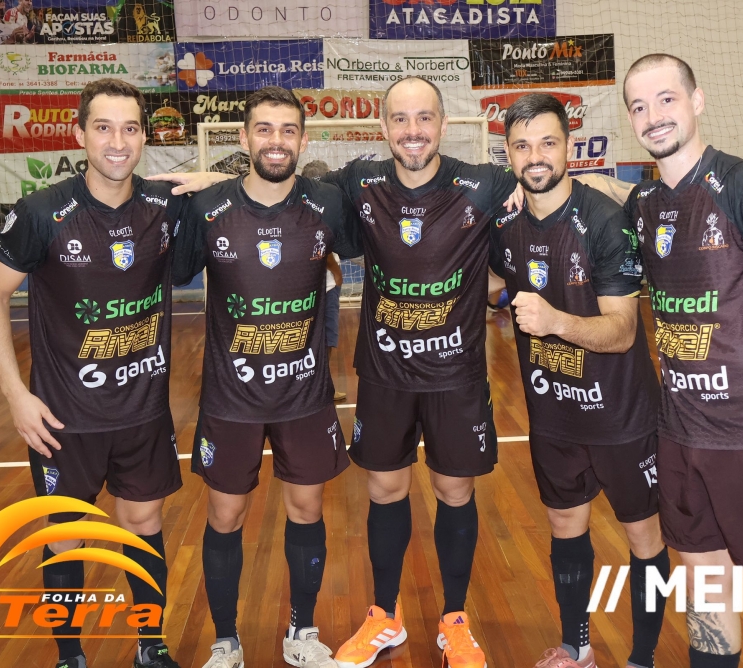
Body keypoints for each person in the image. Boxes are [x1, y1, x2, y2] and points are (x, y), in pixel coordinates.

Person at [153, 75, 520, 668]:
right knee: (379, 490)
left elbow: (549, 190)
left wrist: (538, 187)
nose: (413, 131)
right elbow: (259, 193)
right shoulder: (355, 183)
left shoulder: (484, 183)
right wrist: (207, 182)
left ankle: (452, 621)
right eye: (400, 119)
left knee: (452, 491)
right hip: (376, 374)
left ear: (444, 124)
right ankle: (375, 617)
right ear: (383, 128)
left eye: (424, 117)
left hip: (450, 376)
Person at [605, 54, 743, 668]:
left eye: (666, 99)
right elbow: (629, 196)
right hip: (681, 437)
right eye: (639, 106)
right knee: (706, 595)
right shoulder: (644, 204)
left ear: (697, 101)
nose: (653, 116)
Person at [0, 78, 185, 668]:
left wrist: (203, 179)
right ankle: (71, 657)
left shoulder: (165, 206)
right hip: (65, 418)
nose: (118, 142)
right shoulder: (41, 212)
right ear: (79, 135)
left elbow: (237, 195)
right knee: (66, 533)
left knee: (143, 522)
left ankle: (150, 646)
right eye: (104, 127)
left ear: (144, 137)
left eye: (130, 128)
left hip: (143, 411)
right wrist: (15, 394)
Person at [173, 86, 362, 668]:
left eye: (287, 130)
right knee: (225, 515)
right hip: (230, 397)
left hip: (304, 393)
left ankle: (302, 632)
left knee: (307, 510)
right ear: (244, 137)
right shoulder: (207, 208)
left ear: (302, 140)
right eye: (264, 129)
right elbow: (173, 268)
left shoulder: (327, 203)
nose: (276, 141)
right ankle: (225, 641)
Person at [489, 93, 668, 668]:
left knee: (643, 536)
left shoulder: (605, 221)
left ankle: (642, 657)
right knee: (565, 525)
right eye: (522, 146)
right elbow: (491, 282)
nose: (535, 156)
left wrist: (555, 321)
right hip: (553, 415)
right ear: (508, 154)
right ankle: (577, 646)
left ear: (569, 146)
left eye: (547, 142)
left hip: (621, 416)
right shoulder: (506, 223)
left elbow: (622, 331)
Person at [301, 159, 348, 402]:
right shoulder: (320, 207)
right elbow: (322, 244)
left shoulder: (296, 205)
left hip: (302, 286)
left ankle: (312, 387)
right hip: (325, 283)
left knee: (307, 338)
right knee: (326, 336)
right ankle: (321, 388)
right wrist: (335, 270)